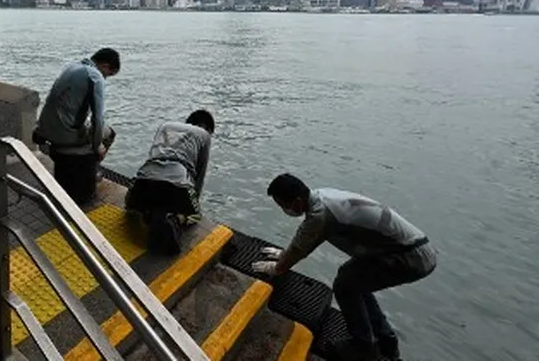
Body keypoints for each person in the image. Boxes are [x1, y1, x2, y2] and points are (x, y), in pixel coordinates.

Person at [253, 174, 437, 361]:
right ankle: (385, 341)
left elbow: (301, 246)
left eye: (283, 205)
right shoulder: (323, 197)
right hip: (413, 248)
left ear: (298, 201)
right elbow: (303, 241)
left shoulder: (320, 215)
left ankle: (363, 346)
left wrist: (277, 267)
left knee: (345, 285)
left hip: (409, 255)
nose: (284, 209)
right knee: (356, 282)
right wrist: (285, 255)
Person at [33, 48, 120, 205]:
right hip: (65, 136)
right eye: (108, 74)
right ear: (105, 66)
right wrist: (97, 146)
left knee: (87, 128)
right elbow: (98, 119)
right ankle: (92, 170)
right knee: (109, 133)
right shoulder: (95, 77)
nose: (105, 78)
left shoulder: (72, 66)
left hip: (45, 130)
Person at [125, 110, 214, 255]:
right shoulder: (204, 136)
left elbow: (152, 155)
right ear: (208, 129)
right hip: (178, 182)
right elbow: (199, 176)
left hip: (145, 178)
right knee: (195, 215)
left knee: (131, 205)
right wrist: (191, 205)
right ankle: (175, 220)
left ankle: (147, 211)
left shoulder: (166, 126)